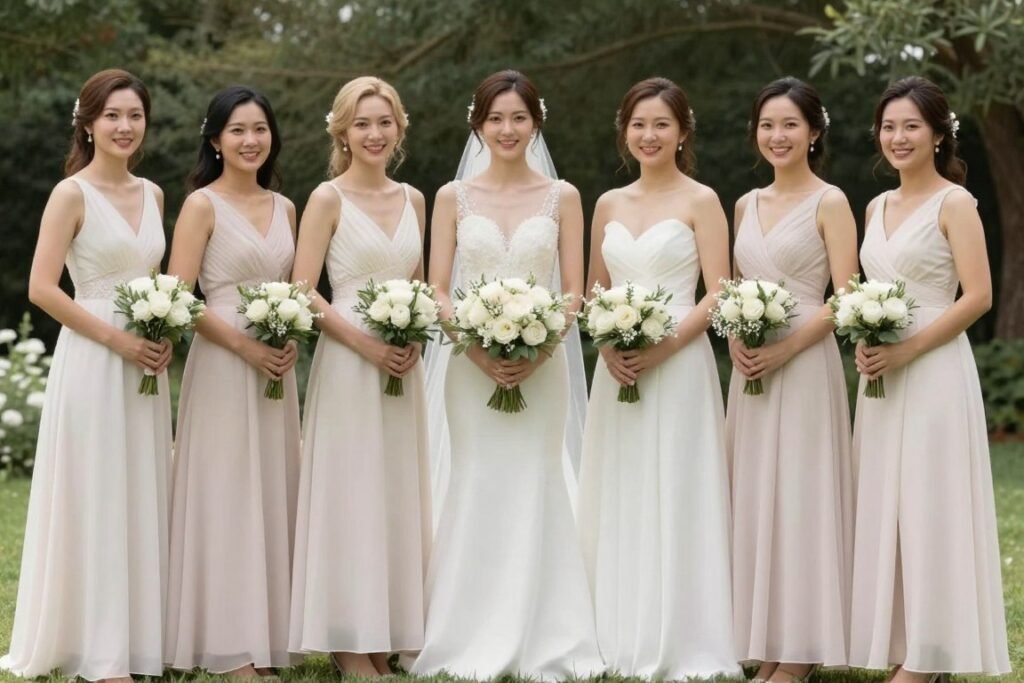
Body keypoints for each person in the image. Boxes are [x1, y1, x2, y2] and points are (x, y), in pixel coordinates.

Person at [412, 69, 603, 681]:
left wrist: (539, 349)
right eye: (495, 118)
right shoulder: (451, 197)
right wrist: (476, 348)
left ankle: (548, 630)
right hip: (469, 368)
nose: (507, 129)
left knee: (537, 480)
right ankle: (465, 629)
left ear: (536, 121)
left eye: (518, 117)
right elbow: (437, 288)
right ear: (478, 124)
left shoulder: (563, 196)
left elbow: (574, 290)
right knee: (477, 480)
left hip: (541, 366)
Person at [0, 69, 171, 682]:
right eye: (112, 116)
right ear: (89, 122)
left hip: (144, 361)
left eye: (135, 115)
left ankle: (139, 641)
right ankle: (100, 653)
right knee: (97, 489)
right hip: (95, 356)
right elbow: (42, 288)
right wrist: (117, 339)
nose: (125, 127)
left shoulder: (153, 194)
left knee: (140, 488)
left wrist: (162, 330)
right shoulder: (70, 194)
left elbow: (157, 279)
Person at [577, 76, 741, 680]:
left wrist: (663, 346)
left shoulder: (702, 200)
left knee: (677, 486)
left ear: (682, 132)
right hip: (617, 368)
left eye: (661, 125)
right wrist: (607, 344)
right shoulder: (608, 205)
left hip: (680, 364)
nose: (649, 135)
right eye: (638, 124)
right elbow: (593, 291)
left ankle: (683, 632)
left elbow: (720, 293)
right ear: (625, 131)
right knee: (621, 486)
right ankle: (613, 629)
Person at [850, 76, 1010, 681]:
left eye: (911, 126)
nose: (898, 137)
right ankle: (899, 640)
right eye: (889, 127)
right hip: (881, 374)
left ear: (938, 134)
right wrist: (869, 338)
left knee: (928, 504)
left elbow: (978, 297)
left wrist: (908, 348)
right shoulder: (875, 207)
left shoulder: (955, 203)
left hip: (935, 369)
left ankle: (931, 654)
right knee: (886, 504)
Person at [288, 76, 430, 677]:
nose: (374, 134)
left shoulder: (415, 200)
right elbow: (301, 289)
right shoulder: (327, 198)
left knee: (395, 489)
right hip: (348, 360)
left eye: (384, 122)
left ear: (399, 128)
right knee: (351, 491)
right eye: (361, 124)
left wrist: (415, 333)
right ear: (342, 131)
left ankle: (388, 632)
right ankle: (349, 642)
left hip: (403, 363)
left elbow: (423, 283)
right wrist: (365, 347)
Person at [164, 86, 300, 677]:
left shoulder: (287, 207)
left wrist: (289, 335)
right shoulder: (202, 206)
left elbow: (297, 289)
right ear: (215, 140)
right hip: (223, 364)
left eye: (260, 129)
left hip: (276, 368)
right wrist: (243, 345)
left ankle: (267, 638)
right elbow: (178, 298)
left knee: (270, 491)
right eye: (238, 130)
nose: (250, 141)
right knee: (226, 494)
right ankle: (227, 646)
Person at [727, 77, 858, 682]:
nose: (777, 137)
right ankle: (766, 641)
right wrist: (735, 338)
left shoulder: (830, 201)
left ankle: (802, 650)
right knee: (756, 494)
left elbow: (846, 299)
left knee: (801, 496)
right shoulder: (744, 204)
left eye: (789, 126)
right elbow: (730, 290)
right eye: (767, 125)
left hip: (804, 363)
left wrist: (784, 353)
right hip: (750, 367)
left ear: (814, 132)